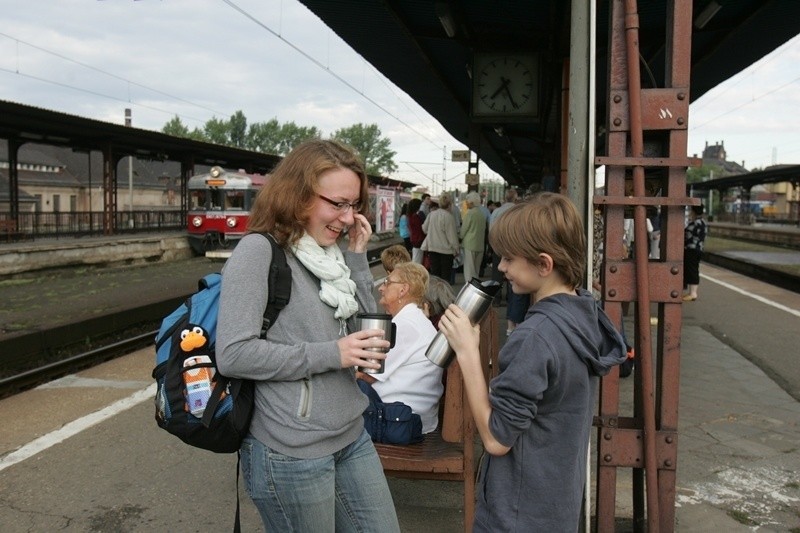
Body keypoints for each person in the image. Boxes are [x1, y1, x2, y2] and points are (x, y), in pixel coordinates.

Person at [215, 139, 400, 532]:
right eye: (337, 204)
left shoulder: (333, 256)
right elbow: (233, 354)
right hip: (291, 450)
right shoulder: (258, 253)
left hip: (350, 433)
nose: (348, 218)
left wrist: (356, 260)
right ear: (297, 195)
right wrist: (332, 354)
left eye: (354, 205)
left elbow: (361, 332)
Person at [437, 192, 627, 532]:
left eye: (510, 258)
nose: (502, 267)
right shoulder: (585, 314)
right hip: (556, 507)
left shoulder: (535, 337)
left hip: (515, 514)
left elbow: (497, 439)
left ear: (544, 264)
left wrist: (467, 352)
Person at [358, 261, 444, 433]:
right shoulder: (413, 319)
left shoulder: (405, 326)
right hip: (410, 415)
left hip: (398, 420)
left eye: (388, 282)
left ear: (403, 290)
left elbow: (366, 375)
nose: (381, 288)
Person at [421, 192, 460, 283]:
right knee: (445, 278)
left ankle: (436, 296)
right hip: (446, 252)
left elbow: (424, 228)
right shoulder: (449, 217)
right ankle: (444, 296)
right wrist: (457, 249)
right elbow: (452, 237)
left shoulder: (432, 214)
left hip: (433, 249)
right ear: (450, 204)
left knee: (435, 276)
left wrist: (431, 232)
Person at [460, 191, 487, 282]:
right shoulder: (482, 214)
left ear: (471, 203)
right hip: (480, 245)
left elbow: (463, 230)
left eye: (467, 202)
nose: (466, 204)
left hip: (469, 245)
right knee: (476, 270)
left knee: (469, 271)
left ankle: (469, 288)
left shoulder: (469, 214)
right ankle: (475, 287)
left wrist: (459, 237)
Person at [683, 204, 707, 301]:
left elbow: (687, 236)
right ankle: (692, 292)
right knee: (694, 269)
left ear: (693, 211)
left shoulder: (694, 224)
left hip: (691, 249)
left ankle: (693, 293)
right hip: (698, 249)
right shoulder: (703, 222)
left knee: (692, 270)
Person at [407, 197, 426, 264]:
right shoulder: (415, 217)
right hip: (419, 239)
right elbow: (421, 228)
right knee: (417, 259)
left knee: (416, 257)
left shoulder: (410, 216)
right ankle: (414, 272)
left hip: (414, 238)